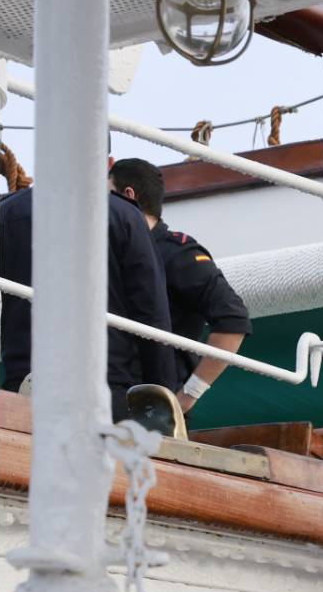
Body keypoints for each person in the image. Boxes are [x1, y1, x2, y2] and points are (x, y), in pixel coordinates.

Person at [0, 176, 182, 421]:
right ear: (107, 163)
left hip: (24, 384)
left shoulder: (6, 213)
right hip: (106, 387)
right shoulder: (123, 215)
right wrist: (159, 396)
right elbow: (151, 311)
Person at [107, 158, 253, 413]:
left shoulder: (178, 255)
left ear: (128, 195)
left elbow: (233, 319)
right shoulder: (111, 254)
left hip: (152, 413)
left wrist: (185, 398)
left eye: (106, 196)